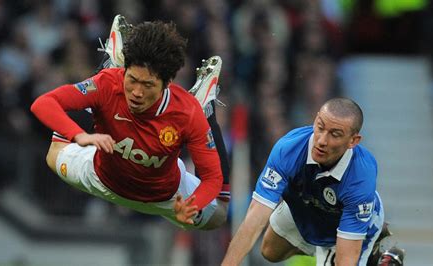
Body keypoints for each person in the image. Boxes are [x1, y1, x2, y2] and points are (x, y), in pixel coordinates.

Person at [30, 15, 230, 230]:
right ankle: (111, 64)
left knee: (219, 214)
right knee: (53, 154)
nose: (136, 92)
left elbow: (212, 178)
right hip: (100, 177)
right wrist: (80, 135)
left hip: (165, 198)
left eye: (147, 85)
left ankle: (206, 107)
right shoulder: (109, 84)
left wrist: (193, 205)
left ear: (167, 84)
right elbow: (43, 103)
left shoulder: (187, 112)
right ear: (124, 71)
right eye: (132, 80)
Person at [222, 98, 385, 265]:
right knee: (269, 251)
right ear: (315, 119)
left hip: (346, 222)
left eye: (335, 135)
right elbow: (254, 219)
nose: (321, 141)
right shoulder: (289, 149)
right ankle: (325, 253)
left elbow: (347, 259)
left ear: (353, 141)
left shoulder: (361, 177)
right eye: (320, 127)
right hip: (306, 203)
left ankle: (373, 260)